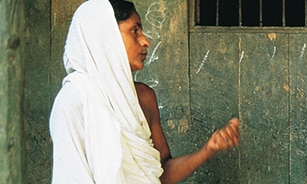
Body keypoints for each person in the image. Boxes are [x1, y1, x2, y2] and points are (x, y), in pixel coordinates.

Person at [49, 0, 240, 183]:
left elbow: (162, 173)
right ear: (106, 37)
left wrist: (208, 149)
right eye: (135, 30)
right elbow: (71, 177)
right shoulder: (75, 98)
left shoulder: (145, 97)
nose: (145, 41)